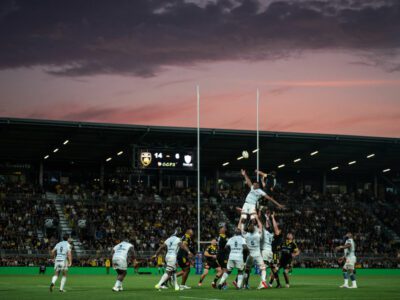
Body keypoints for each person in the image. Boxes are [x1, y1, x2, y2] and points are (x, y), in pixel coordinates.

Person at [242, 216, 269, 289]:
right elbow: (260, 227)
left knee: (247, 270)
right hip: (257, 254)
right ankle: (263, 281)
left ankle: (245, 285)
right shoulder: (257, 235)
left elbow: (243, 231)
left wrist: (244, 222)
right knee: (263, 268)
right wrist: (257, 217)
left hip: (250, 255)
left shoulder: (246, 236)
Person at [268, 212, 283, 288]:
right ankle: (271, 283)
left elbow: (275, 227)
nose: (276, 230)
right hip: (272, 253)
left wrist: (272, 217)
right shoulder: (274, 236)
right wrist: (267, 218)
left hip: (275, 254)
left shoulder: (279, 236)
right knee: (273, 269)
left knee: (274, 268)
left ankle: (277, 283)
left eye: (278, 230)